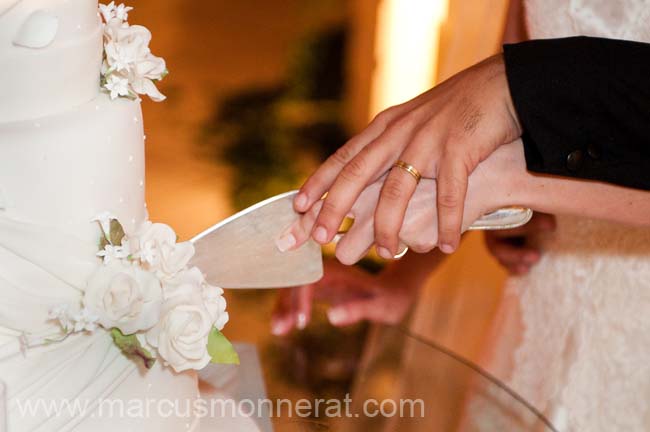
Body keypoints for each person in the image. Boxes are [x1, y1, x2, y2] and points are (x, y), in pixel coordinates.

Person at [274, 1, 650, 429]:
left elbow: (513, 119)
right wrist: (403, 280)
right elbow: (497, 132)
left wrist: (515, 180)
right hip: (540, 320)